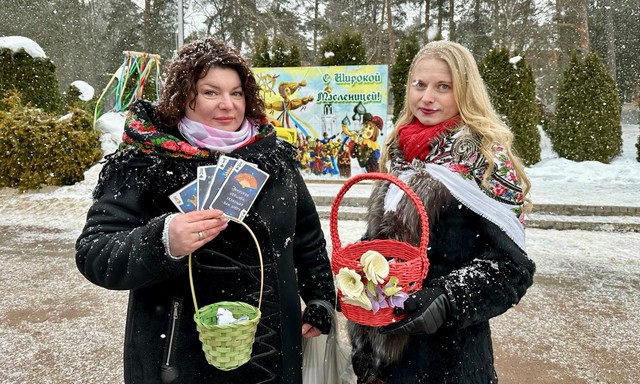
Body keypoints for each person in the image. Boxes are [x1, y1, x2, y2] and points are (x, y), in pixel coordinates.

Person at [76, 37, 335, 383]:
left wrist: (320, 298)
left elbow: (307, 239)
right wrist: (163, 240)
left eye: (236, 93)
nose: (228, 105)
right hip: (179, 360)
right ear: (183, 96)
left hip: (273, 356)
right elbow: (95, 252)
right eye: (211, 92)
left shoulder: (275, 158)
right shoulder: (144, 160)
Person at [347, 40, 536, 383]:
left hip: (448, 363)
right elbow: (390, 237)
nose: (427, 97)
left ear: (464, 91)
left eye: (443, 87)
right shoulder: (401, 152)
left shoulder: (481, 161)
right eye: (419, 84)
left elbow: (512, 270)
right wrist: (362, 263)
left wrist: (447, 298)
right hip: (383, 363)